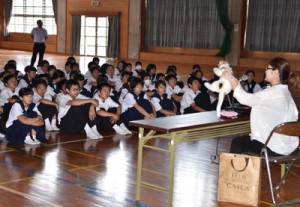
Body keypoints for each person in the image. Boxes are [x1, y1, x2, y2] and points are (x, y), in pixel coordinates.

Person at [223, 57, 299, 156]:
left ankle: (234, 171)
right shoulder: (285, 92)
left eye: (268, 68)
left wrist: (231, 78)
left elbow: (244, 99)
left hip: (274, 147)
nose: (265, 70)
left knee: (237, 142)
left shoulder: (273, 93)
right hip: (290, 146)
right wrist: (236, 84)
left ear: (275, 72)